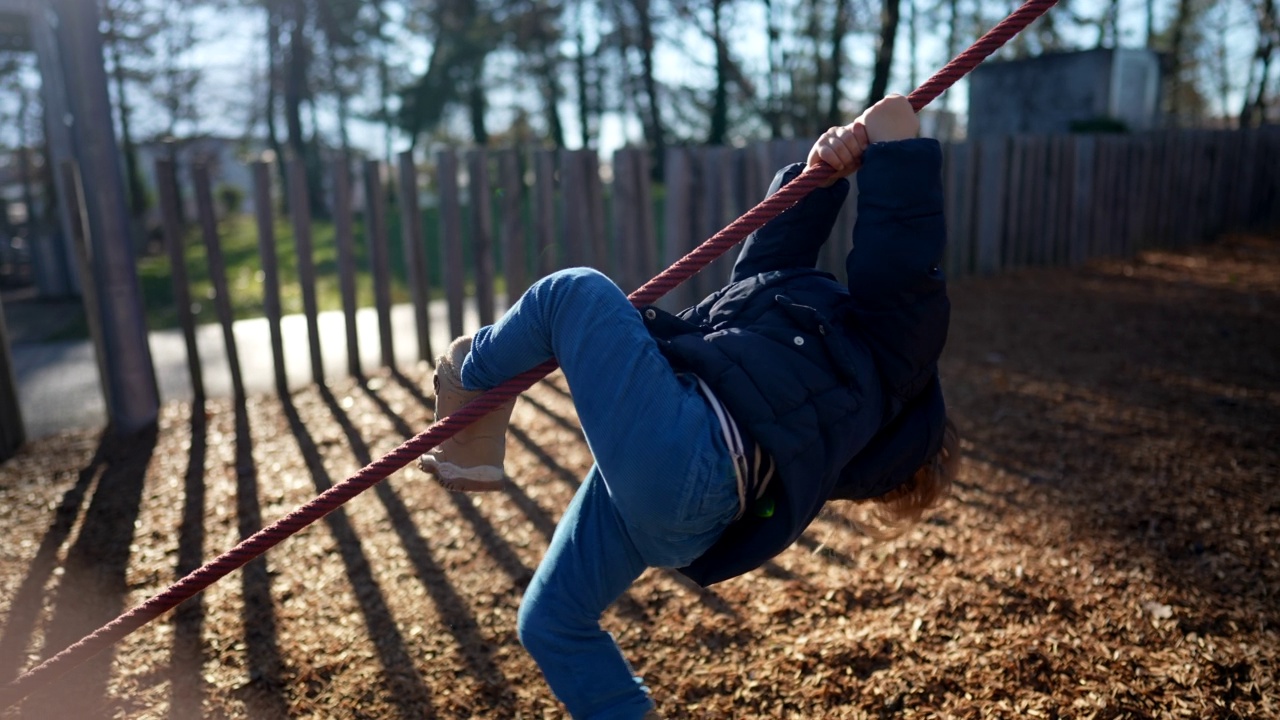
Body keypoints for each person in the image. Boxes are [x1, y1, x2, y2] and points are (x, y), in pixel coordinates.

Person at [417, 93, 959, 720]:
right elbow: (764, 271)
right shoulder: (822, 382)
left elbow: (904, 257)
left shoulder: (890, 364)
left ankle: (468, 373)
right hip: (685, 508)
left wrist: (894, 141)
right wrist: (822, 177)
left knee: (575, 294)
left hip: (693, 453)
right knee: (554, 620)